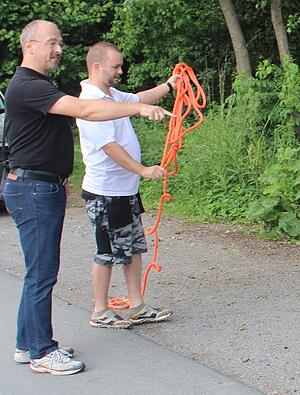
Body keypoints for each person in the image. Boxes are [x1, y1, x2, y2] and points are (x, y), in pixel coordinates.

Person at [2, 20, 172, 376]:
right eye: (51, 42)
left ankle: (26, 344)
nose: (58, 48)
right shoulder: (27, 86)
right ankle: (41, 351)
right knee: (42, 274)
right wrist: (137, 109)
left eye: (60, 42)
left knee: (39, 272)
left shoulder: (37, 85)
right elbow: (87, 111)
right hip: (33, 189)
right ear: (29, 45)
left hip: (41, 186)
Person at [76, 42, 173, 331]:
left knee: (132, 248)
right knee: (106, 251)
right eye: (115, 66)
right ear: (97, 67)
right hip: (105, 193)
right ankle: (100, 310)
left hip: (124, 190)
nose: (121, 70)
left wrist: (170, 85)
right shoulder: (91, 101)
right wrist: (143, 170)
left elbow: (139, 98)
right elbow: (109, 147)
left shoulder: (112, 95)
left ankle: (136, 306)